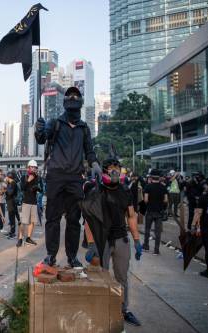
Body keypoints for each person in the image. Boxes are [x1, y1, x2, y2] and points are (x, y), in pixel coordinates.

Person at [35, 86, 101, 267]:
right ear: (64, 102)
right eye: (69, 95)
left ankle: (72, 257)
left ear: (80, 102)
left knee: (74, 221)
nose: (73, 97)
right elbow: (42, 138)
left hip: (75, 178)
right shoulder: (55, 122)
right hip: (56, 176)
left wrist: (95, 164)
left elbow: (89, 151)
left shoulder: (84, 128)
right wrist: (38, 129)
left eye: (76, 95)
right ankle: (51, 255)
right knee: (52, 219)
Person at [85, 158, 143, 326]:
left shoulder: (125, 190)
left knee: (122, 278)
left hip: (121, 239)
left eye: (117, 168)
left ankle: (123, 309)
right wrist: (91, 244)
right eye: (111, 169)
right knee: (100, 276)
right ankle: (100, 308)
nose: (115, 171)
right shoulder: (96, 190)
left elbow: (131, 216)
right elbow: (89, 219)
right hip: (102, 240)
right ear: (104, 171)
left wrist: (137, 240)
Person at [143, 169, 168, 255]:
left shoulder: (148, 186)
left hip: (150, 211)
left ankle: (146, 246)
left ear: (151, 176)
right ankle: (156, 250)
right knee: (158, 232)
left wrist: (149, 203)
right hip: (159, 212)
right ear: (159, 177)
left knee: (147, 230)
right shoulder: (163, 187)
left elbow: (145, 200)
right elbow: (166, 200)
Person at [17, 160, 41, 247]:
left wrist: (37, 188)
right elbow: (22, 188)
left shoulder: (37, 177)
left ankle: (28, 238)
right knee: (23, 222)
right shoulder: (24, 177)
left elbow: (41, 189)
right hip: (26, 202)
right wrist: (28, 181)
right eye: (33, 167)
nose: (34, 169)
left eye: (35, 167)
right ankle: (20, 238)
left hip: (34, 202)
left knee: (32, 221)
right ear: (29, 167)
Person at [5, 171, 20, 238]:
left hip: (12, 202)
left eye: (7, 176)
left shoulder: (13, 183)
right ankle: (11, 231)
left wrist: (5, 187)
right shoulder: (10, 183)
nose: (6, 178)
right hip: (10, 201)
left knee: (12, 217)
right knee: (11, 217)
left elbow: (10, 193)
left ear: (9, 177)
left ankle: (13, 233)